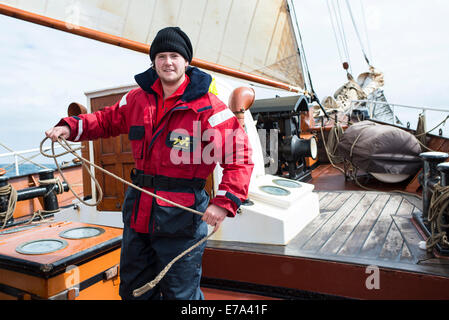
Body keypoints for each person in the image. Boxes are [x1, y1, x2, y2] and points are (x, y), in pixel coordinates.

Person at [45, 26, 253, 300]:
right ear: (154, 61)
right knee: (134, 290)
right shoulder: (136, 99)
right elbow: (105, 120)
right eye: (162, 56)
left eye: (174, 56)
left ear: (186, 62)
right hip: (138, 212)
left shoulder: (209, 108)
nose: (168, 62)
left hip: (183, 217)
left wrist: (223, 202)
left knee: (181, 294)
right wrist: (71, 128)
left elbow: (239, 156)